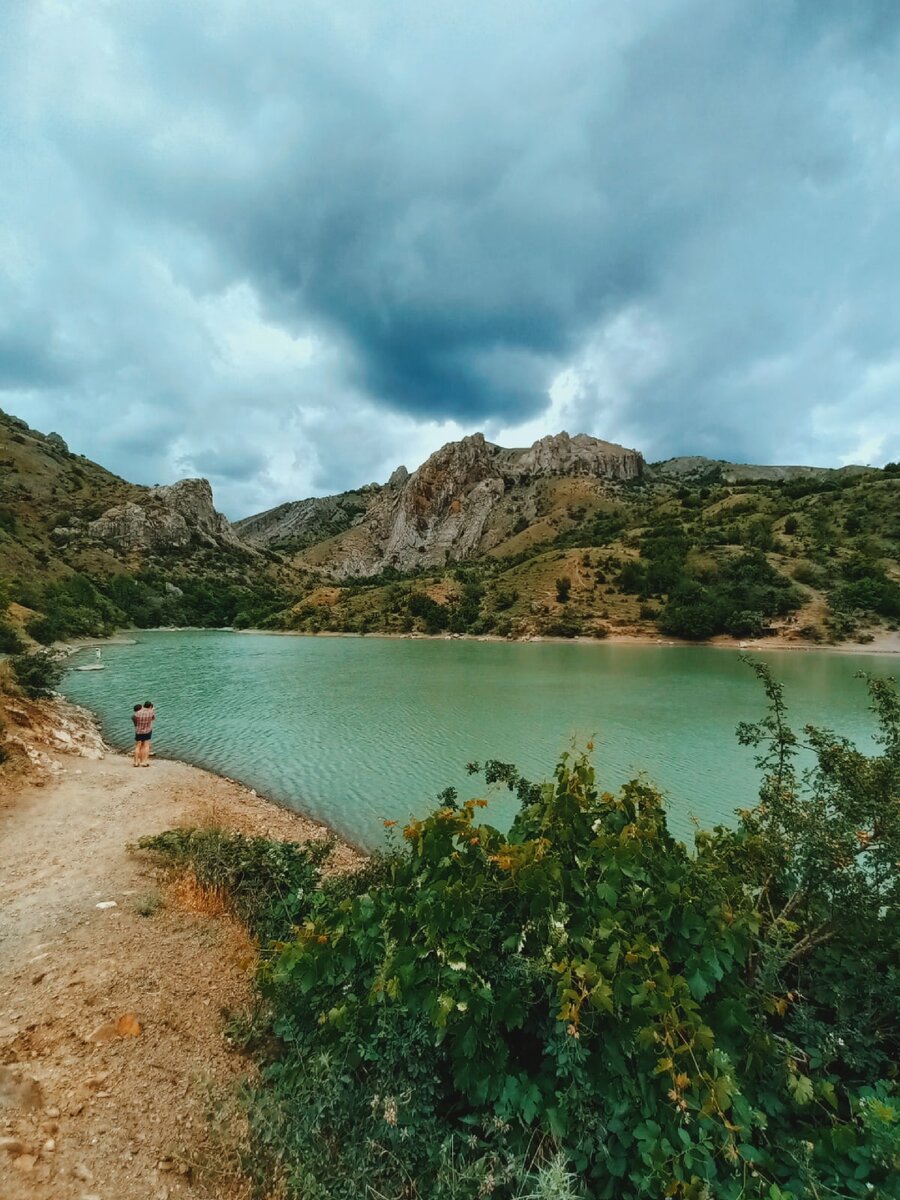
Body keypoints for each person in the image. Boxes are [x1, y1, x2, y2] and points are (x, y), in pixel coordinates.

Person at [132, 700, 155, 767]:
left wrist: (136, 725)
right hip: (147, 731)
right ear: (150, 706)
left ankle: (136, 762)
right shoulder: (151, 712)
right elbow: (153, 719)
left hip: (138, 731)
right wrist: (152, 710)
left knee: (137, 746)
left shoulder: (138, 713)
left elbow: (133, 718)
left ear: (143, 705)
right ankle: (144, 762)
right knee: (146, 746)